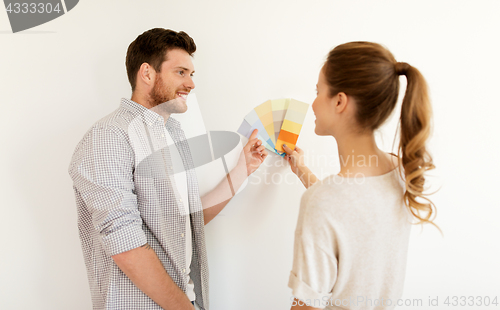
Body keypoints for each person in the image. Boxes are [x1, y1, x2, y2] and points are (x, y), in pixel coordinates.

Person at [68, 28, 268, 310]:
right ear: (147, 74)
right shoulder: (109, 137)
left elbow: (187, 222)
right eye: (181, 72)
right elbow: (125, 244)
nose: (191, 84)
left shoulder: (173, 135)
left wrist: (243, 170)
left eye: (192, 74)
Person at [282, 42, 438, 310]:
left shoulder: (321, 202)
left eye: (318, 91)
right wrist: (302, 171)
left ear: (340, 101)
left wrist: (315, 195)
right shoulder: (400, 172)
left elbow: (306, 306)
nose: (313, 103)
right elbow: (353, 212)